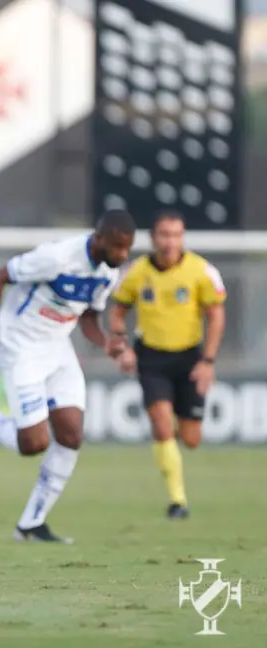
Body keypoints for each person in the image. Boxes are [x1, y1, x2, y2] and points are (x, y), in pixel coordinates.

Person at [0, 211, 135, 543]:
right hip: (20, 346)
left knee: (72, 435)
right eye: (118, 246)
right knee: (34, 444)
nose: (123, 255)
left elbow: (90, 316)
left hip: (58, 347)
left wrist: (108, 342)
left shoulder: (109, 271)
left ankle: (31, 523)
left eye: (128, 248)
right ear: (100, 237)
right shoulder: (57, 257)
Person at [109, 212, 226, 519]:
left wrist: (208, 361)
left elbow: (216, 316)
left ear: (182, 237)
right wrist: (123, 347)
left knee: (191, 439)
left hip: (190, 358)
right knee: (161, 423)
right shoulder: (135, 272)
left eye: (176, 235)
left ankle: (170, 435)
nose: (170, 241)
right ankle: (178, 501)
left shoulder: (201, 271)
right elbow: (118, 313)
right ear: (153, 238)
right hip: (151, 358)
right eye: (164, 234)